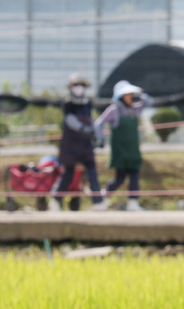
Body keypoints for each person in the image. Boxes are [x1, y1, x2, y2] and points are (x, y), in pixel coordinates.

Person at [93, 80, 148, 212]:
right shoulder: (114, 109)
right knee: (120, 177)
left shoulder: (135, 109)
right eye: (128, 94)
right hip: (120, 151)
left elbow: (149, 102)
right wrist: (101, 139)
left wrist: (140, 96)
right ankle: (103, 196)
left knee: (135, 174)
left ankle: (133, 202)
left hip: (133, 150)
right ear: (121, 96)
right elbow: (98, 124)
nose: (131, 96)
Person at [52, 73, 103, 212]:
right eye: (75, 85)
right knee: (68, 173)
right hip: (71, 144)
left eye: (81, 85)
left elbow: (91, 119)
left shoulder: (88, 103)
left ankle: (98, 201)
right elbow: (70, 120)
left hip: (86, 144)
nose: (78, 88)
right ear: (71, 87)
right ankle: (56, 198)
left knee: (92, 171)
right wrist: (82, 128)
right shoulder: (67, 103)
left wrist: (98, 136)